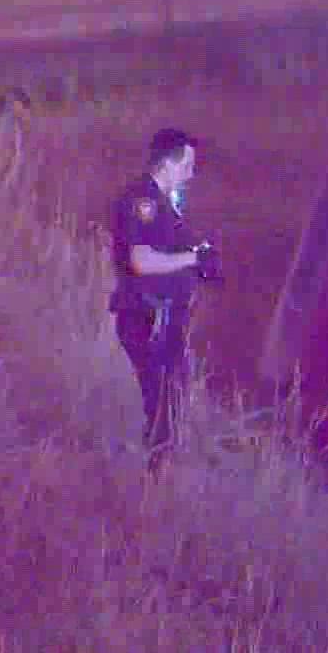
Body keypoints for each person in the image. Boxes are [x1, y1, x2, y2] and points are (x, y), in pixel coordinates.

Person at [108, 127, 216, 460]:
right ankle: (150, 487)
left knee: (172, 404)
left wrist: (202, 259)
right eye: (186, 165)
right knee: (160, 410)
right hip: (147, 317)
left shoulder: (168, 206)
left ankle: (157, 479)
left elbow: (177, 250)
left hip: (167, 320)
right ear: (166, 164)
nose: (190, 173)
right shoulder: (142, 202)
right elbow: (140, 260)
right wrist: (191, 258)